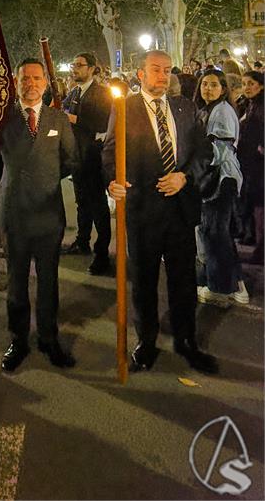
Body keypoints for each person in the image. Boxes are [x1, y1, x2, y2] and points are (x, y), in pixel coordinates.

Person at [103, 50, 218, 375]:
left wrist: (185, 176)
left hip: (181, 211)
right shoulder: (125, 108)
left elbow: (203, 151)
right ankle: (147, 341)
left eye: (167, 70)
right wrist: (114, 181)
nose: (162, 76)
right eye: (155, 70)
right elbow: (111, 152)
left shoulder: (185, 108)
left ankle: (186, 340)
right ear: (140, 74)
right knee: (144, 281)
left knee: (183, 280)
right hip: (143, 211)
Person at [0, 58, 77, 372]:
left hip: (47, 214)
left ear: (46, 82)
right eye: (25, 78)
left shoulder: (59, 118)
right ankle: (18, 340)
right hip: (13, 212)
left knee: (49, 281)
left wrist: (45, 179)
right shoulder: (1, 119)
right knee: (16, 282)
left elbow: (71, 160)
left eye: (36, 78)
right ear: (16, 82)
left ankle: (48, 337)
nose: (31, 84)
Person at [193, 69, 247, 306]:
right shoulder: (211, 109)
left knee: (214, 234)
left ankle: (220, 290)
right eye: (204, 84)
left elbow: (219, 149)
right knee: (219, 234)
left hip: (220, 179)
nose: (208, 88)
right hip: (219, 177)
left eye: (214, 85)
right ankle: (234, 285)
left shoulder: (222, 111)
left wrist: (194, 166)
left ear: (223, 89)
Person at [61, 52, 113, 275]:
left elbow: (103, 123)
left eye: (79, 65)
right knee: (82, 202)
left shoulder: (102, 93)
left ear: (92, 68)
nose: (75, 69)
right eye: (74, 65)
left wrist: (76, 119)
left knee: (98, 205)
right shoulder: (73, 92)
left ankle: (102, 252)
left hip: (93, 157)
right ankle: (82, 240)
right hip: (76, 155)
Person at [237, 70, 264, 262]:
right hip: (249, 163)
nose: (247, 87)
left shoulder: (261, 107)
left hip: (259, 164)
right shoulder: (247, 105)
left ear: (261, 86)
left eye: (251, 83)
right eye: (244, 83)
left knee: (260, 205)